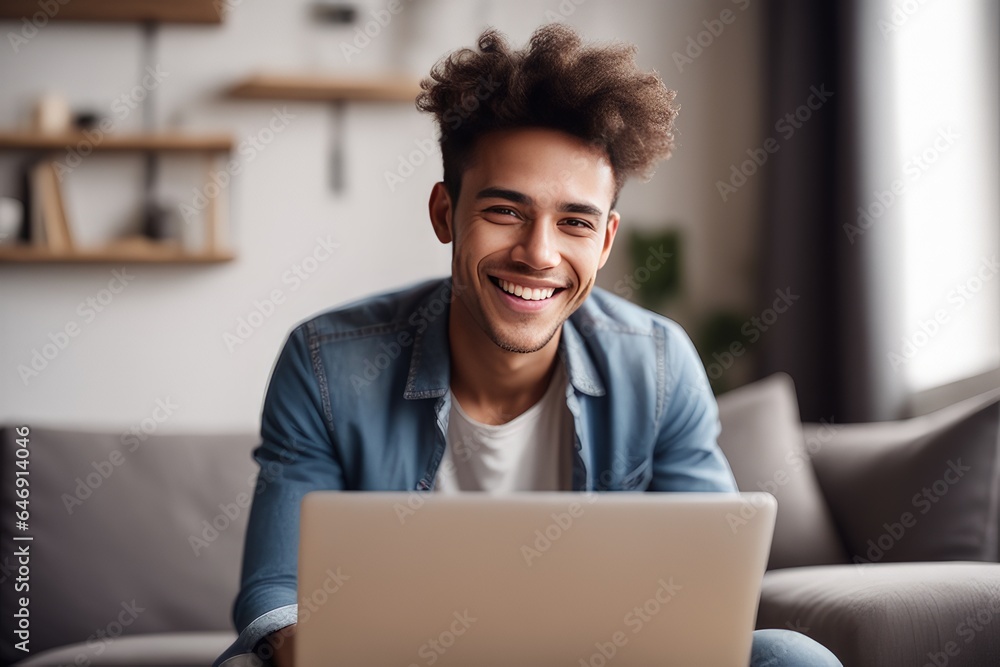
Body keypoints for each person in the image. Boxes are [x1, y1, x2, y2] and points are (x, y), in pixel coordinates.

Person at [213, 24, 843, 667]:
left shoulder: (658, 364)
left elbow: (712, 592)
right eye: (505, 212)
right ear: (444, 214)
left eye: (575, 222)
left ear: (605, 241)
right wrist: (305, 646)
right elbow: (275, 589)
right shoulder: (326, 362)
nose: (539, 254)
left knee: (790, 656)